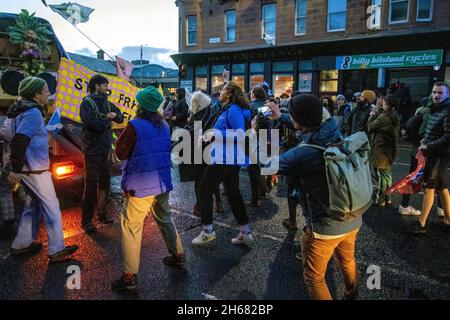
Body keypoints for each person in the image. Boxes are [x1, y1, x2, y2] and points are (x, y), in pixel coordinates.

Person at [269, 94, 361, 300]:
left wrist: (255, 136)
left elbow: (266, 166)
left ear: (300, 120)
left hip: (324, 227)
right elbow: (309, 126)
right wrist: (281, 118)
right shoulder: (332, 130)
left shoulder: (302, 154)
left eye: (292, 117)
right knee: (347, 261)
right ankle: (351, 295)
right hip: (352, 215)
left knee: (315, 278)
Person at [112, 86, 185, 291]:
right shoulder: (164, 125)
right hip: (161, 181)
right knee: (165, 218)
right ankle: (178, 255)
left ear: (140, 105)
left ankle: (129, 276)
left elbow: (120, 152)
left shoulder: (134, 126)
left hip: (140, 184)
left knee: (132, 226)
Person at [8, 77, 78, 262]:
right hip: (36, 169)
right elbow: (20, 140)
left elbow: (23, 137)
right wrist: (15, 169)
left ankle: (21, 244)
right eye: (46, 90)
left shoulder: (21, 108)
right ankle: (56, 250)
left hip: (29, 169)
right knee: (52, 207)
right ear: (36, 94)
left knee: (33, 205)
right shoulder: (32, 113)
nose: (49, 93)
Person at [192, 81, 254, 246]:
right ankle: (245, 232)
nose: (220, 92)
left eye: (223, 89)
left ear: (230, 93)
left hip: (225, 158)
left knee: (204, 189)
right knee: (233, 193)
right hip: (227, 157)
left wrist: (214, 134)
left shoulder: (233, 110)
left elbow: (240, 135)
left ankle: (207, 231)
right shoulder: (226, 109)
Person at [79, 74, 124, 233]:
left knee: (105, 183)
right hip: (92, 150)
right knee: (91, 185)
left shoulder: (107, 102)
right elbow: (93, 124)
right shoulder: (87, 103)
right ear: (96, 86)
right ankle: (86, 221)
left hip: (106, 149)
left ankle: (102, 214)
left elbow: (120, 116)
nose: (107, 88)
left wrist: (114, 116)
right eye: (105, 85)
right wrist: (108, 117)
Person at [409, 82, 450, 234]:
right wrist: (425, 140)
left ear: (447, 95)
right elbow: (435, 130)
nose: (436, 95)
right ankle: (447, 220)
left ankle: (421, 224)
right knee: (442, 188)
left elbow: (448, 136)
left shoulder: (447, 110)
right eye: (434, 92)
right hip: (436, 152)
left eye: (440, 93)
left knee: (429, 187)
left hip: (439, 154)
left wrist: (429, 145)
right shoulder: (437, 108)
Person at [399, 95, 442, 216]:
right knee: (432, 181)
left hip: (416, 151)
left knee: (416, 178)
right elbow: (423, 132)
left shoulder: (422, 110)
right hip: (425, 153)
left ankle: (405, 205)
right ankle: (406, 206)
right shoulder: (431, 112)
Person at [186, 91, 223, 215]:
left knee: (199, 180)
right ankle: (218, 202)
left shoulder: (195, 117)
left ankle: (200, 205)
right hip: (212, 150)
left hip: (198, 152)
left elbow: (192, 136)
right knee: (213, 179)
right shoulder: (212, 113)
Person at [368, 95, 401, 207]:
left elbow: (370, 127)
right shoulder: (394, 115)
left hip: (381, 149)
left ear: (387, 104)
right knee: (387, 175)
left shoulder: (384, 117)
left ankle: (380, 200)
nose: (382, 104)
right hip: (389, 148)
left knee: (381, 175)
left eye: (384, 103)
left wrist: (372, 116)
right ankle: (387, 198)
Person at [247, 86, 267, 206]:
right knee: (263, 166)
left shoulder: (250, 106)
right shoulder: (265, 106)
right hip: (264, 137)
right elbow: (270, 121)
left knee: (252, 168)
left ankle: (255, 198)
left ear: (253, 94)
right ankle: (263, 192)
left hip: (253, 137)